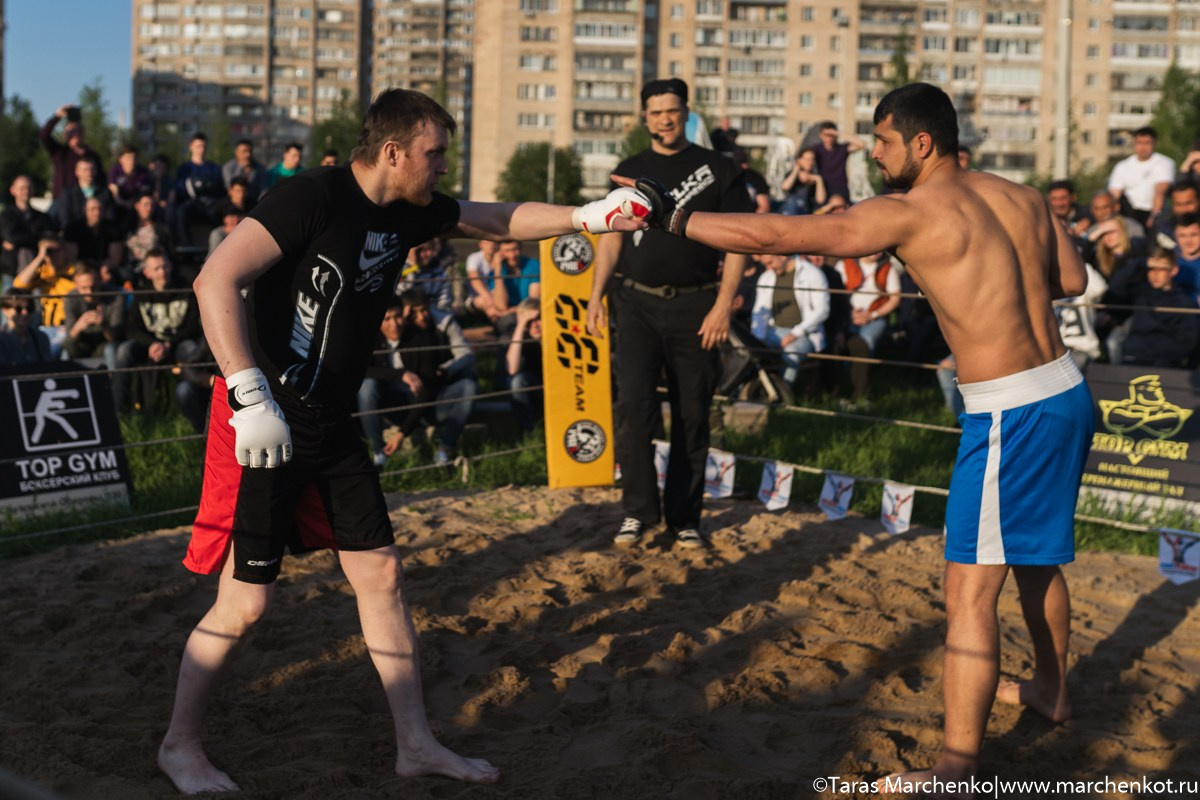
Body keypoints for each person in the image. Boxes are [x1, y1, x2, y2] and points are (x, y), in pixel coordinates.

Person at [158, 86, 650, 794]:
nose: (443, 167)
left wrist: (585, 215)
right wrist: (247, 388)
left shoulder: (411, 210)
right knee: (246, 603)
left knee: (381, 573)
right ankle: (179, 747)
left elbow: (493, 218)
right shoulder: (311, 197)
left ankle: (415, 744)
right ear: (393, 151)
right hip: (266, 415)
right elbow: (214, 280)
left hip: (331, 423)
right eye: (435, 153)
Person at [627, 82, 1093, 790]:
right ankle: (1052, 691)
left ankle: (957, 771)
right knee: (1033, 559)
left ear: (922, 143)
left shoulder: (908, 213)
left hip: (1010, 412)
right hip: (1064, 390)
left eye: (882, 142)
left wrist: (669, 217)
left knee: (968, 594)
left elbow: (774, 234)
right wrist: (993, 280)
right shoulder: (1023, 195)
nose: (873, 154)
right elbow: (1071, 277)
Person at [585, 77, 753, 549]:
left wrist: (723, 305)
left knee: (692, 414)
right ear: (644, 118)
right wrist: (596, 296)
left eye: (672, 110)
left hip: (699, 305)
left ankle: (685, 520)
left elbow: (738, 239)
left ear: (686, 112)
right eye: (656, 111)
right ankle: (637, 512)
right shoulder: (627, 170)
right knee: (633, 409)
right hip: (635, 303)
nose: (664, 119)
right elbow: (611, 236)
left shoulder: (719, 168)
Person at [376, 288, 478, 464]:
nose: (421, 316)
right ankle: (377, 454)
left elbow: (466, 355)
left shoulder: (443, 323)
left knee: (469, 382)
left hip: (437, 392)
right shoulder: (396, 331)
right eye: (413, 312)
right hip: (405, 400)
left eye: (424, 310)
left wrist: (445, 370)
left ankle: (445, 449)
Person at [111, 249, 202, 414]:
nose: (163, 272)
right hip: (149, 346)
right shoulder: (141, 294)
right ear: (147, 273)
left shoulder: (186, 290)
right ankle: (119, 412)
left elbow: (193, 327)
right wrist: (152, 344)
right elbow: (132, 329)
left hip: (177, 344)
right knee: (123, 351)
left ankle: (194, 404)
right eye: (157, 268)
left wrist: (168, 344)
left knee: (190, 349)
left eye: (165, 266)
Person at [1105, 247, 1200, 368]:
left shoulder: (1183, 302)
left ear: (1174, 270)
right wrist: (1140, 263)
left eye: (1161, 269)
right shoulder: (1140, 292)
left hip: (1165, 364)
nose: (1155, 274)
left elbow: (1188, 340)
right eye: (1151, 269)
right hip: (1134, 358)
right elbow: (1115, 288)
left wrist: (1166, 359)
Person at [750, 253, 828, 386]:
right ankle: (749, 391)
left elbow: (822, 311)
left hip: (805, 335)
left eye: (771, 263)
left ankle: (783, 393)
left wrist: (795, 333)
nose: (768, 268)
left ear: (783, 256)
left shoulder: (812, 274)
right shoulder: (766, 277)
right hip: (773, 331)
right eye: (766, 264)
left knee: (791, 353)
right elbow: (759, 313)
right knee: (748, 351)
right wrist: (757, 340)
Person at [834, 251, 901, 408]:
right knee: (840, 345)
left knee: (865, 344)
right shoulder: (844, 265)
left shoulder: (888, 268)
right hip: (847, 316)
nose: (876, 252)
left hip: (875, 318)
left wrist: (873, 315)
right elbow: (837, 296)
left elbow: (895, 298)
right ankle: (843, 389)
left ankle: (861, 393)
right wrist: (850, 314)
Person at [1107, 126, 1175, 229]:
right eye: (1139, 143)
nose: (1143, 147)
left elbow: (1160, 192)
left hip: (1153, 211)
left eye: (1147, 143)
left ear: (1154, 143)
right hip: (1128, 213)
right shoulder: (1122, 166)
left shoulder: (1164, 163)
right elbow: (1114, 194)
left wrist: (1154, 216)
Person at [38, 103, 105, 202]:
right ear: (65, 135)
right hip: (61, 200)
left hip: (86, 200)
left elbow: (101, 178)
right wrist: (57, 116)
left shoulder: (92, 155)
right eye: (71, 132)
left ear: (83, 133)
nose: (75, 135)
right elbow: (43, 136)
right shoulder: (60, 152)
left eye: (78, 131)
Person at [170, 133, 226, 247]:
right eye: (198, 146)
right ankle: (186, 246)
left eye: (204, 146)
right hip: (193, 206)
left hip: (211, 207)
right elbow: (181, 191)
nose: (202, 149)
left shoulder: (214, 168)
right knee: (181, 211)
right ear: (190, 147)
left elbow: (220, 190)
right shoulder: (184, 169)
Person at [62, 266, 126, 362]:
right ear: (76, 284)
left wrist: (104, 324)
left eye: (94, 287)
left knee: (111, 349)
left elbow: (117, 337)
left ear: (100, 281)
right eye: (84, 288)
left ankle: (114, 377)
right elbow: (70, 337)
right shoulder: (70, 299)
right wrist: (78, 327)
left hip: (105, 343)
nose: (89, 292)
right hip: (83, 342)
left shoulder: (115, 296)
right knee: (67, 349)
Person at [1, 175, 53, 288]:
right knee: (12, 304)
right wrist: (37, 239)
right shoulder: (6, 216)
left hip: (38, 272)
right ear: (13, 190)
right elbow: (12, 237)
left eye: (29, 187)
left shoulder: (42, 217)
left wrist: (18, 241)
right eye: (22, 188)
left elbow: (48, 237)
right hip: (12, 271)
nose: (26, 191)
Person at [504, 297, 543, 432]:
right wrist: (521, 326)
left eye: (538, 319)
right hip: (536, 391)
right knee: (515, 381)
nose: (535, 325)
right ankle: (528, 432)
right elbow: (512, 369)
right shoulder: (520, 338)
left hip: (559, 390)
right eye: (529, 322)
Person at [810, 121, 866, 203]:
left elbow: (862, 144)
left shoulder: (842, 148)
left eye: (832, 135)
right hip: (823, 188)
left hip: (841, 188)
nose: (829, 138)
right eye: (826, 135)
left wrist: (837, 133)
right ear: (821, 136)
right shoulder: (816, 149)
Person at [0, 290, 53, 365]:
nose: (25, 313)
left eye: (29, 308)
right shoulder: (2, 339)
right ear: (5, 310)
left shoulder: (41, 337)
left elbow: (48, 367)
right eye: (18, 309)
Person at [108, 144, 155, 224]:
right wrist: (125, 203)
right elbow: (114, 194)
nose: (131, 160)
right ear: (121, 159)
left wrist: (135, 203)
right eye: (128, 157)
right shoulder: (115, 171)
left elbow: (145, 193)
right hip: (119, 203)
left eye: (134, 157)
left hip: (137, 204)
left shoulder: (143, 172)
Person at [778, 148, 827, 216]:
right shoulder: (792, 174)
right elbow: (785, 187)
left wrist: (819, 180)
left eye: (812, 159)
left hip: (805, 213)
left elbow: (820, 200)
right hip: (790, 213)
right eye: (807, 159)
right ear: (799, 160)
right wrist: (796, 171)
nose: (810, 162)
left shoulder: (816, 178)